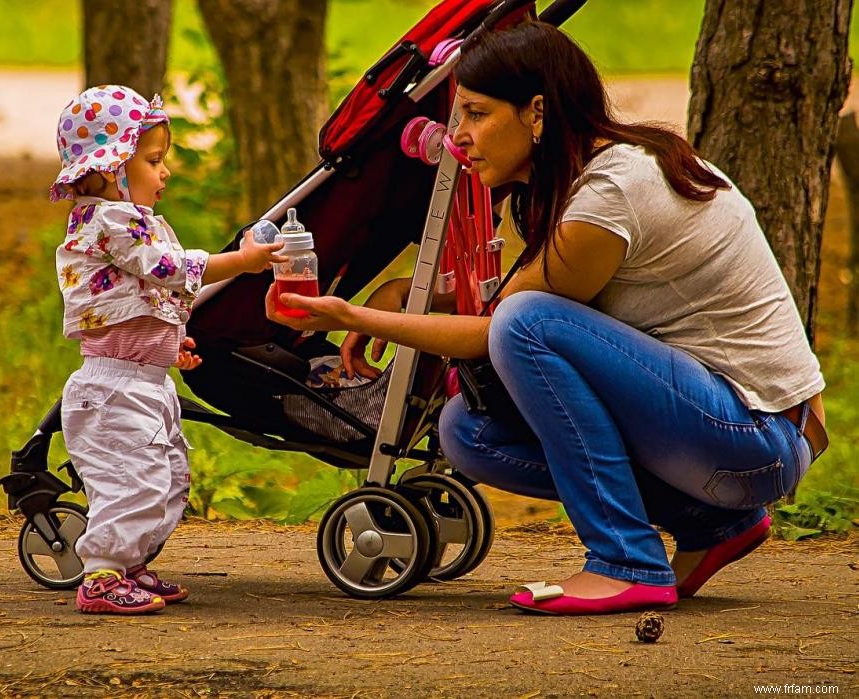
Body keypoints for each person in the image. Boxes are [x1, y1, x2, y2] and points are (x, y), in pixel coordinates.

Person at [266, 23, 828, 615]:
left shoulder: (613, 193)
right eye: (458, 116)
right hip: (724, 435)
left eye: (477, 114)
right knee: (467, 433)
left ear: (537, 113)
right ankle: (713, 525)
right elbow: (513, 298)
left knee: (526, 325)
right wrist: (404, 295)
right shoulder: (587, 180)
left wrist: (352, 313)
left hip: (758, 436)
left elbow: (503, 325)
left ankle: (626, 562)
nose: (459, 137)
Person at [52, 85, 285, 614]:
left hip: (144, 382)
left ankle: (130, 564)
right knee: (131, 480)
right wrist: (239, 263)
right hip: (112, 388)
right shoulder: (109, 221)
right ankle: (101, 575)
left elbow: (146, 296)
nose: (166, 173)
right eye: (154, 160)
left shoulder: (132, 224)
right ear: (110, 169)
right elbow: (169, 270)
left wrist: (170, 344)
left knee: (166, 476)